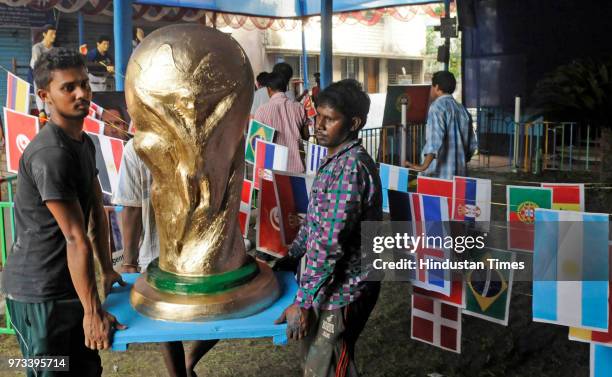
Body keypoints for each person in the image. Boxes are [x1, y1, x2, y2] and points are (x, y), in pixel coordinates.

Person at [1, 47, 126, 377]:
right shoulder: (50, 154)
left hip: (70, 282)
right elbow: (75, 237)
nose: (82, 93)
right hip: (39, 293)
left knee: (85, 369)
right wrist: (91, 311)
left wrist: (107, 271)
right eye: (68, 87)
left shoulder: (84, 143)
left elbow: (97, 212)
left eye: (84, 84)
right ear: (45, 96)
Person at [274, 79, 382, 377]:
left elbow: (328, 245)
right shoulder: (334, 160)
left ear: (354, 123)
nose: (318, 125)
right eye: (317, 115)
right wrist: (293, 256)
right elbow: (315, 221)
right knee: (315, 361)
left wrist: (303, 301)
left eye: (329, 119)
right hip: (330, 285)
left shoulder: (350, 169)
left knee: (328, 364)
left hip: (350, 288)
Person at [113, 140, 217, 377]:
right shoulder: (137, 147)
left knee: (217, 311)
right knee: (165, 323)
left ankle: (189, 362)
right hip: (159, 255)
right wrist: (129, 261)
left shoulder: (202, 138)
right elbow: (130, 207)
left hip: (203, 249)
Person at [403, 71, 477, 179]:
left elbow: (434, 140)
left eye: (432, 86)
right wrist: (459, 160)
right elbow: (472, 145)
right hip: (460, 175)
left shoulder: (437, 107)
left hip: (439, 174)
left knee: (435, 196)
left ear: (436, 87)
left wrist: (423, 166)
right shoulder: (462, 109)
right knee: (454, 197)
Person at [254, 71, 310, 173]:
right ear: (285, 88)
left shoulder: (261, 111)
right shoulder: (299, 107)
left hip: (271, 170)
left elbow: (257, 144)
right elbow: (306, 136)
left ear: (269, 89)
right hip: (297, 169)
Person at [30, 24, 56, 114]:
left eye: (55, 34)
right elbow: (38, 64)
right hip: (39, 75)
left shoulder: (54, 50)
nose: (54, 36)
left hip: (50, 77)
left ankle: (49, 113)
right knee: (40, 90)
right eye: (51, 34)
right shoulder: (37, 48)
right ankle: (41, 110)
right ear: (44, 34)